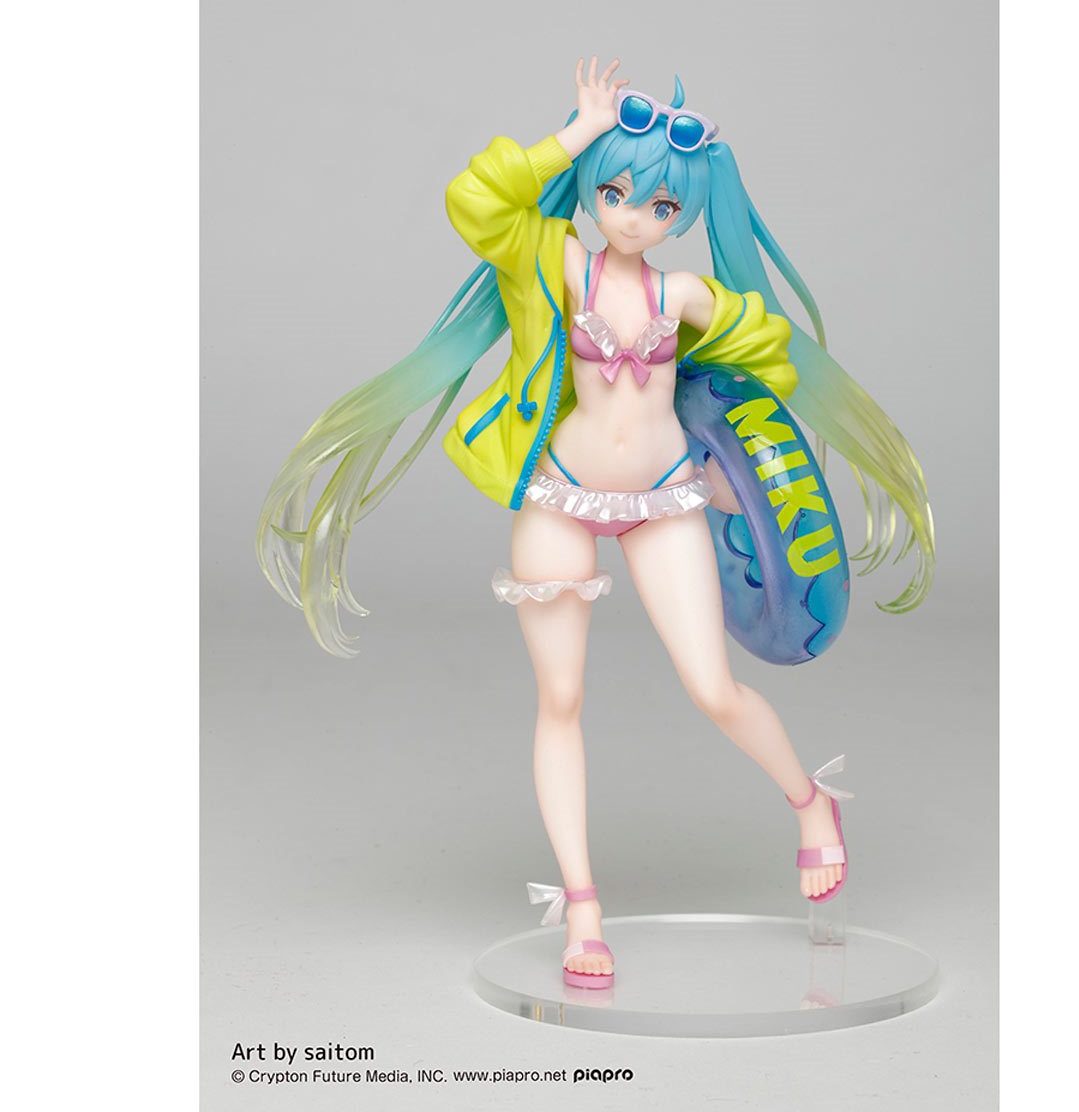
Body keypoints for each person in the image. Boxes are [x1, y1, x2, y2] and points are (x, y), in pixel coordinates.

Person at [257, 56, 934, 990]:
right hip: (561, 496)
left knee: (714, 689)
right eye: (613, 193)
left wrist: (728, 464)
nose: (631, 216)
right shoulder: (555, 260)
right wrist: (575, 131)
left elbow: (764, 367)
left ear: (681, 215)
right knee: (562, 699)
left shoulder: (682, 296)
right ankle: (582, 907)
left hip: (664, 499)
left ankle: (811, 801)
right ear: (592, 190)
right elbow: (476, 200)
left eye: (658, 206)